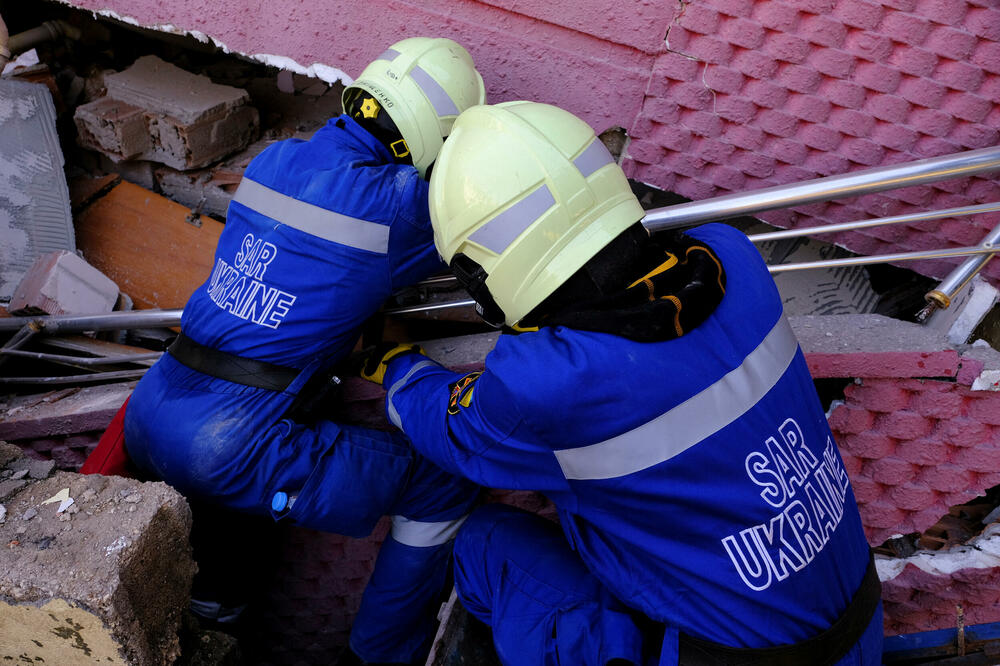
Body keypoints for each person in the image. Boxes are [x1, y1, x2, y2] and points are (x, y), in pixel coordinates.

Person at [359, 101, 883, 665]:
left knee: (486, 546)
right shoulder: (734, 259)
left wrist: (396, 366)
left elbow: (453, 431)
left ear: (481, 270)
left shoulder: (551, 382)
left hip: (723, 660)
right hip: (860, 628)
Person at [123, 38, 486, 665]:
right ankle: (379, 655)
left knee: (219, 571)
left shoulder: (273, 160)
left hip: (152, 408)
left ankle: (216, 622)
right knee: (442, 484)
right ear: (437, 136)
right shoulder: (400, 205)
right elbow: (481, 236)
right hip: (232, 444)